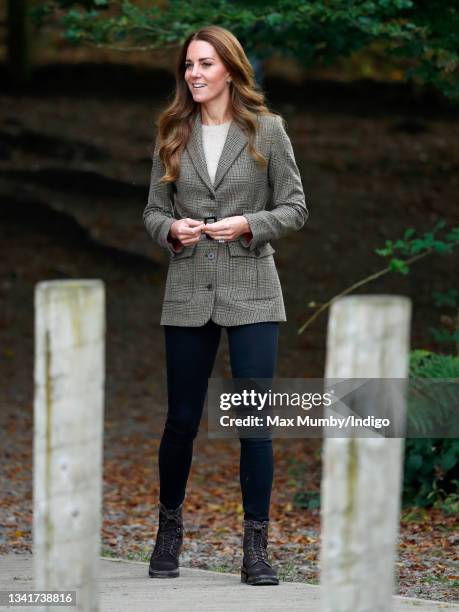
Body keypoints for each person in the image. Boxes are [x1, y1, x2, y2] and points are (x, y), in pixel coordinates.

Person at [142, 25, 308, 586]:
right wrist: (172, 230)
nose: (194, 74)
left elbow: (294, 207)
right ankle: (168, 534)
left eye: (205, 64)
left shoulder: (268, 130)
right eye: (188, 65)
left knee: (254, 423)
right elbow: (151, 212)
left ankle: (255, 549)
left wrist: (249, 224)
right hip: (188, 290)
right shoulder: (171, 131)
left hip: (253, 290)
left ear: (230, 70)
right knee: (182, 420)